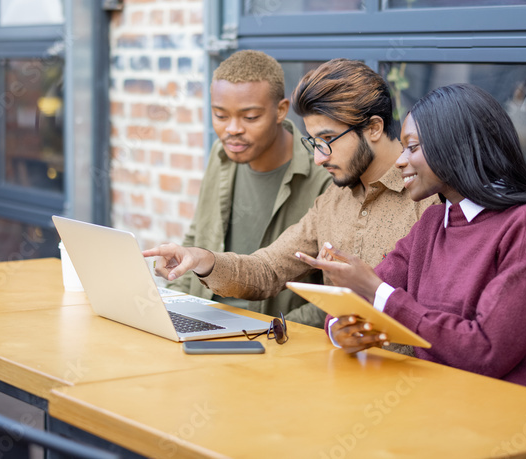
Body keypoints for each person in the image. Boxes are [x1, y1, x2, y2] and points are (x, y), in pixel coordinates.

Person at [297, 83, 526, 405]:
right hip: (449, 403)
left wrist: (378, 292)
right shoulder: (433, 223)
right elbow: (361, 303)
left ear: (456, 146)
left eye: (412, 147)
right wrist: (343, 330)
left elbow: (486, 353)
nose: (400, 161)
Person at [145, 58, 439, 329]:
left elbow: (439, 319)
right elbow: (267, 270)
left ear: (373, 127)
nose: (318, 159)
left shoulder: (431, 200)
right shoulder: (332, 202)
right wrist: (200, 259)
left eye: (327, 140)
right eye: (314, 143)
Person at [165, 50, 333, 322]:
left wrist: (275, 331)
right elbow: (197, 239)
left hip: (273, 339)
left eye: (250, 117)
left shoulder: (323, 176)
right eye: (220, 116)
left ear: (280, 110)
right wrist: (173, 303)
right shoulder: (221, 155)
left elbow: (332, 295)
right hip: (202, 316)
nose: (232, 129)